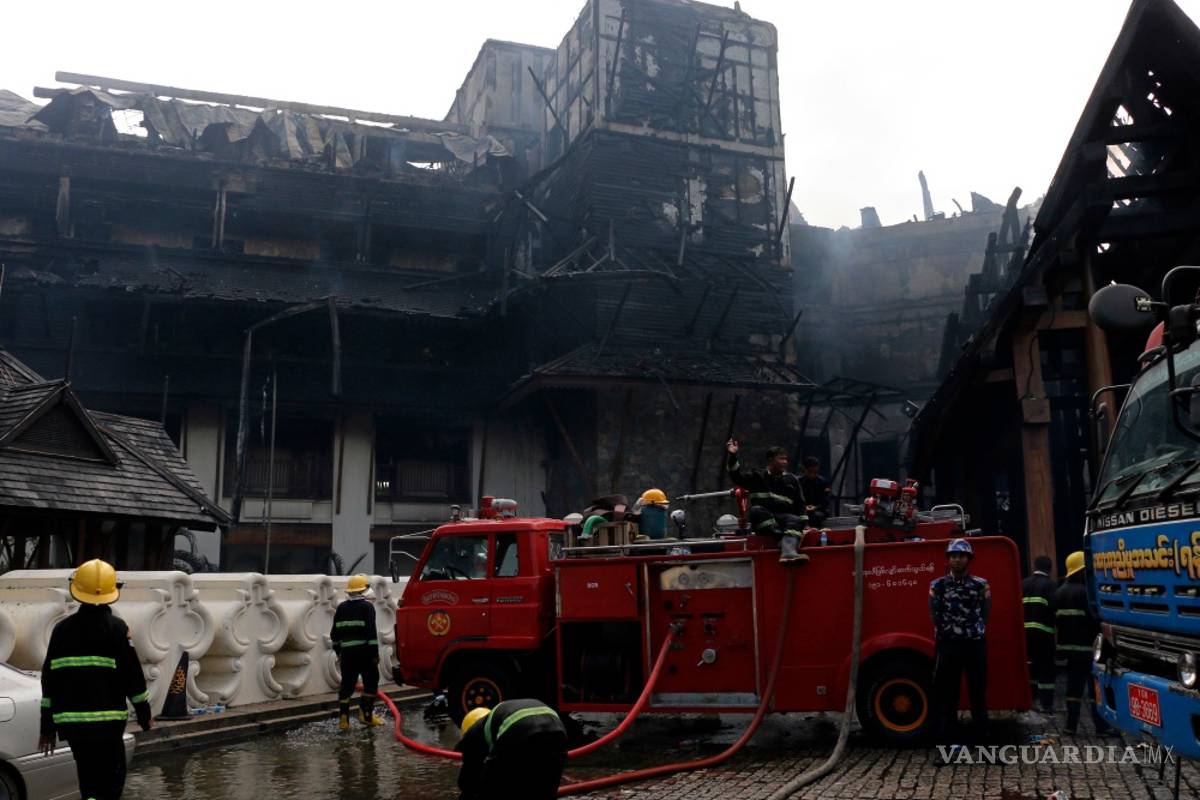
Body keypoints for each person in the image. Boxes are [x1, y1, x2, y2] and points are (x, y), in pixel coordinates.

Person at [38, 558, 153, 800]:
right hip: (108, 725)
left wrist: (47, 727)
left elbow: (49, 681)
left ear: (77, 590)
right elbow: (132, 676)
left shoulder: (61, 630)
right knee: (111, 784)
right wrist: (144, 715)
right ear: (114, 591)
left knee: (88, 780)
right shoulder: (118, 629)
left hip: (73, 725)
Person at [929, 538, 991, 746]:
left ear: (969, 559)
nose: (957, 560)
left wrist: (974, 630)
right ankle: (949, 745)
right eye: (953, 556)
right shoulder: (937, 585)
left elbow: (985, 612)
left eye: (961, 556)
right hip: (948, 645)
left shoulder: (980, 584)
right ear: (948, 559)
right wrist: (948, 632)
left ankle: (983, 744)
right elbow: (935, 613)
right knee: (948, 696)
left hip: (974, 644)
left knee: (978, 694)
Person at [456, 699, 568, 800]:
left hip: (519, 728)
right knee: (545, 790)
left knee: (492, 789)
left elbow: (467, 782)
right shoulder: (496, 718)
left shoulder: (472, 735)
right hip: (558, 729)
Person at [725, 439, 809, 565]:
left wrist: (806, 525)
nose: (785, 462)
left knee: (796, 520)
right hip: (763, 520)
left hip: (783, 519)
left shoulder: (792, 480)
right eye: (781, 459)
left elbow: (800, 504)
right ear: (770, 460)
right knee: (755, 511)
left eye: (786, 459)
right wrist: (732, 455)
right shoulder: (757, 476)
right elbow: (736, 476)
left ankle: (788, 553)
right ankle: (782, 539)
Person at [1055, 551, 1111, 736]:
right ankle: (1101, 728)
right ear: (1078, 571)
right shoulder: (1085, 592)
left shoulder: (1060, 592)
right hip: (1087, 649)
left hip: (1069, 651)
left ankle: (1070, 726)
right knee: (1095, 689)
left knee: (1073, 689)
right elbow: (1094, 620)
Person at [331, 574, 383, 730]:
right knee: (371, 681)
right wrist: (374, 654)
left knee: (347, 685)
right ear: (364, 590)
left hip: (347, 653)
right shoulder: (367, 607)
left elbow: (334, 634)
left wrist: (338, 651)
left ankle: (344, 720)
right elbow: (371, 634)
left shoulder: (341, 607)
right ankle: (366, 716)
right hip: (364, 652)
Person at [1021, 555, 1057, 713]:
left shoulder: (1023, 583)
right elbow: (1054, 610)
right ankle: (1046, 704)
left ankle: (1029, 700)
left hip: (1024, 634)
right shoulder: (1051, 586)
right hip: (1044, 634)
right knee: (1046, 669)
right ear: (1050, 569)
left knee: (1029, 667)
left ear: (1034, 566)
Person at [799, 456, 832, 525]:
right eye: (809, 472)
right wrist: (804, 507)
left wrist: (815, 507)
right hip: (802, 510)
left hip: (819, 511)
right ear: (804, 470)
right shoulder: (798, 482)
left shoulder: (823, 482)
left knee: (815, 516)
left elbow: (826, 501)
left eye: (815, 472)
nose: (812, 475)